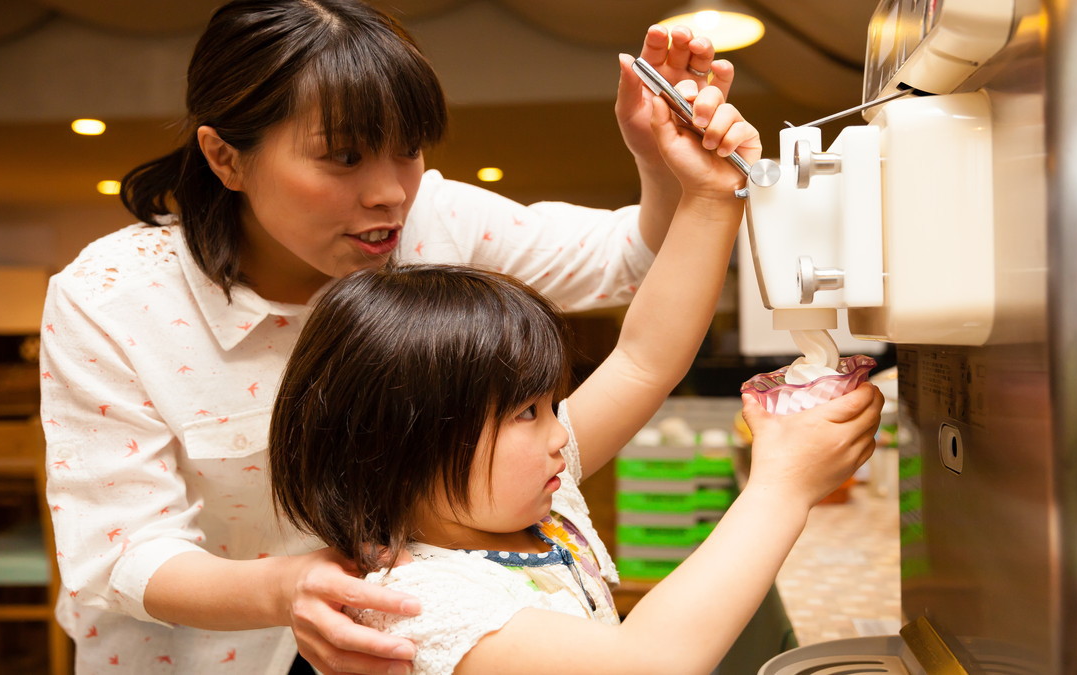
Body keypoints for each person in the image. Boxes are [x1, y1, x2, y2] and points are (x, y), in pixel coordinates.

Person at [38, 1, 736, 673]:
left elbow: (629, 268)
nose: (391, 194)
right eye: (343, 158)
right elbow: (123, 547)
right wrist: (289, 588)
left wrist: (662, 161)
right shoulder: (112, 298)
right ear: (226, 158)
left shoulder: (435, 219)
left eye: (407, 151)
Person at [268, 77, 884, 675]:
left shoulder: (525, 504)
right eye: (525, 414)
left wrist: (711, 196)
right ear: (403, 446)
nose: (561, 435)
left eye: (550, 407)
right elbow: (642, 663)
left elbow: (645, 359)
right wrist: (784, 485)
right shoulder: (421, 605)